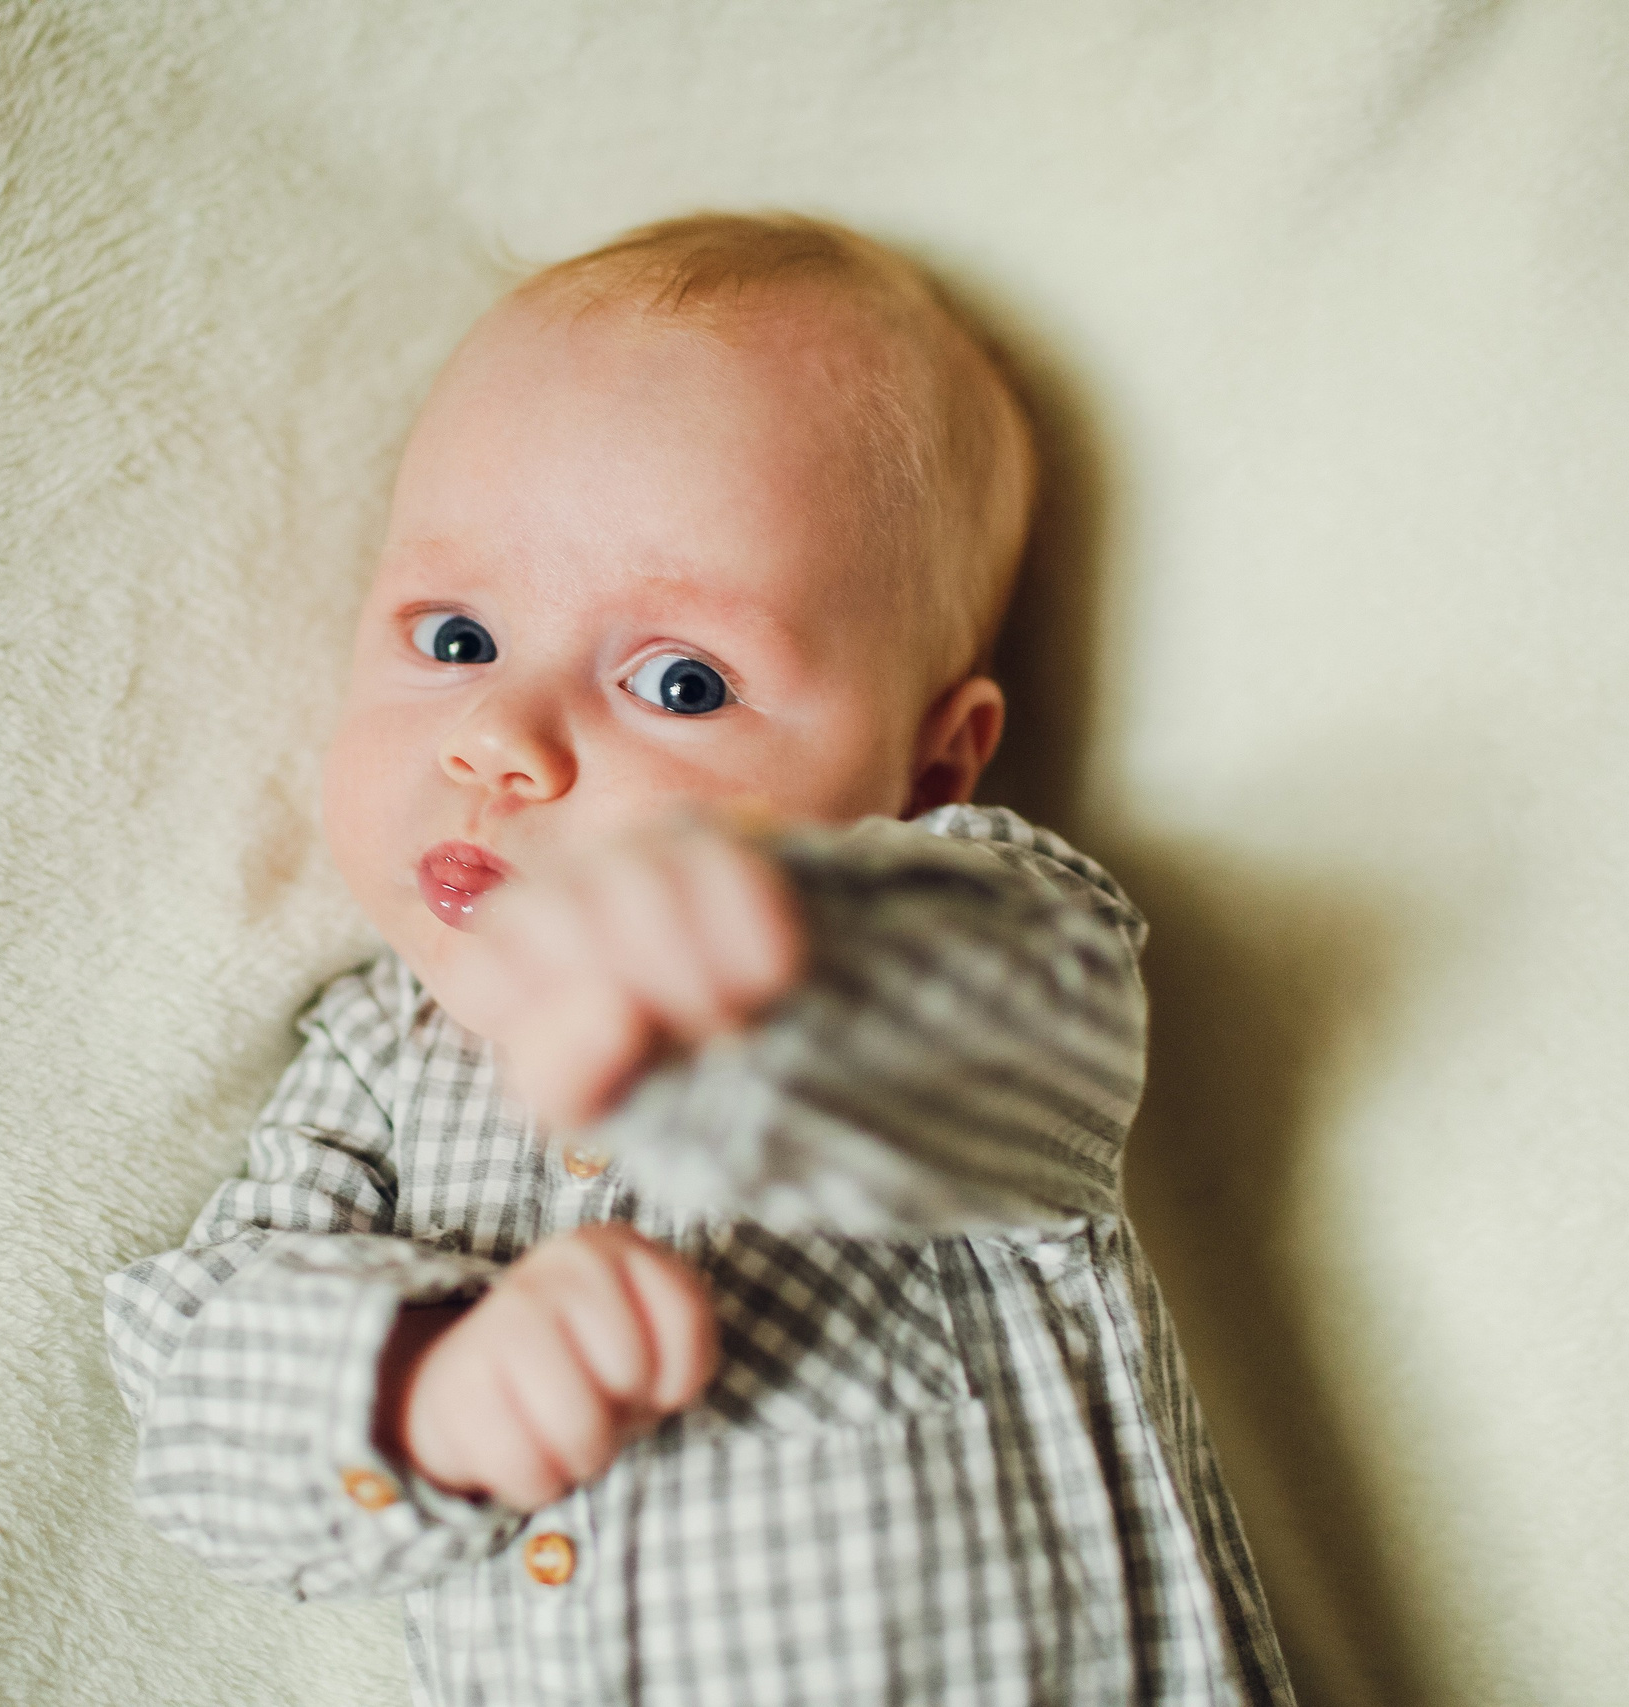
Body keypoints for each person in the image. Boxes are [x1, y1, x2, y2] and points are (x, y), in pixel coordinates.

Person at [103, 213, 1293, 1706]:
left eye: (679, 682)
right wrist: (426, 1393)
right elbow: (202, 1390)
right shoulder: (371, 1064)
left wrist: (781, 961)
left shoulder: (940, 957)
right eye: (456, 638)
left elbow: (1036, 1009)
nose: (503, 743)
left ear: (930, 775)